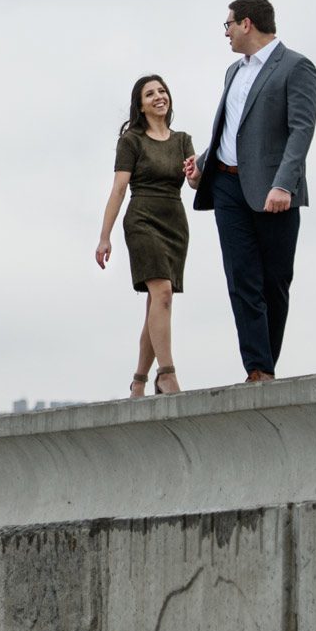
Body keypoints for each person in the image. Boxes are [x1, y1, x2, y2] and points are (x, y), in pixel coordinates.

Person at [191, 0, 316, 382]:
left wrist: (284, 184)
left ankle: (267, 365)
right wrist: (201, 164)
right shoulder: (233, 71)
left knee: (274, 281)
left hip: (272, 193)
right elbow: (233, 129)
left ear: (247, 24)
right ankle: (258, 369)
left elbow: (301, 130)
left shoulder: (296, 66)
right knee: (241, 278)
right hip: (226, 186)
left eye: (228, 24)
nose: (225, 33)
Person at [96, 73, 197, 396]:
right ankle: (166, 374)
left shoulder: (183, 140)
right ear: (140, 105)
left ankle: (139, 381)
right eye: (150, 93)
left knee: (158, 301)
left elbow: (195, 183)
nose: (158, 96)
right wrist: (104, 236)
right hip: (142, 219)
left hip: (175, 222)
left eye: (162, 91)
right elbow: (119, 188)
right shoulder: (132, 141)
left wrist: (196, 175)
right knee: (162, 293)